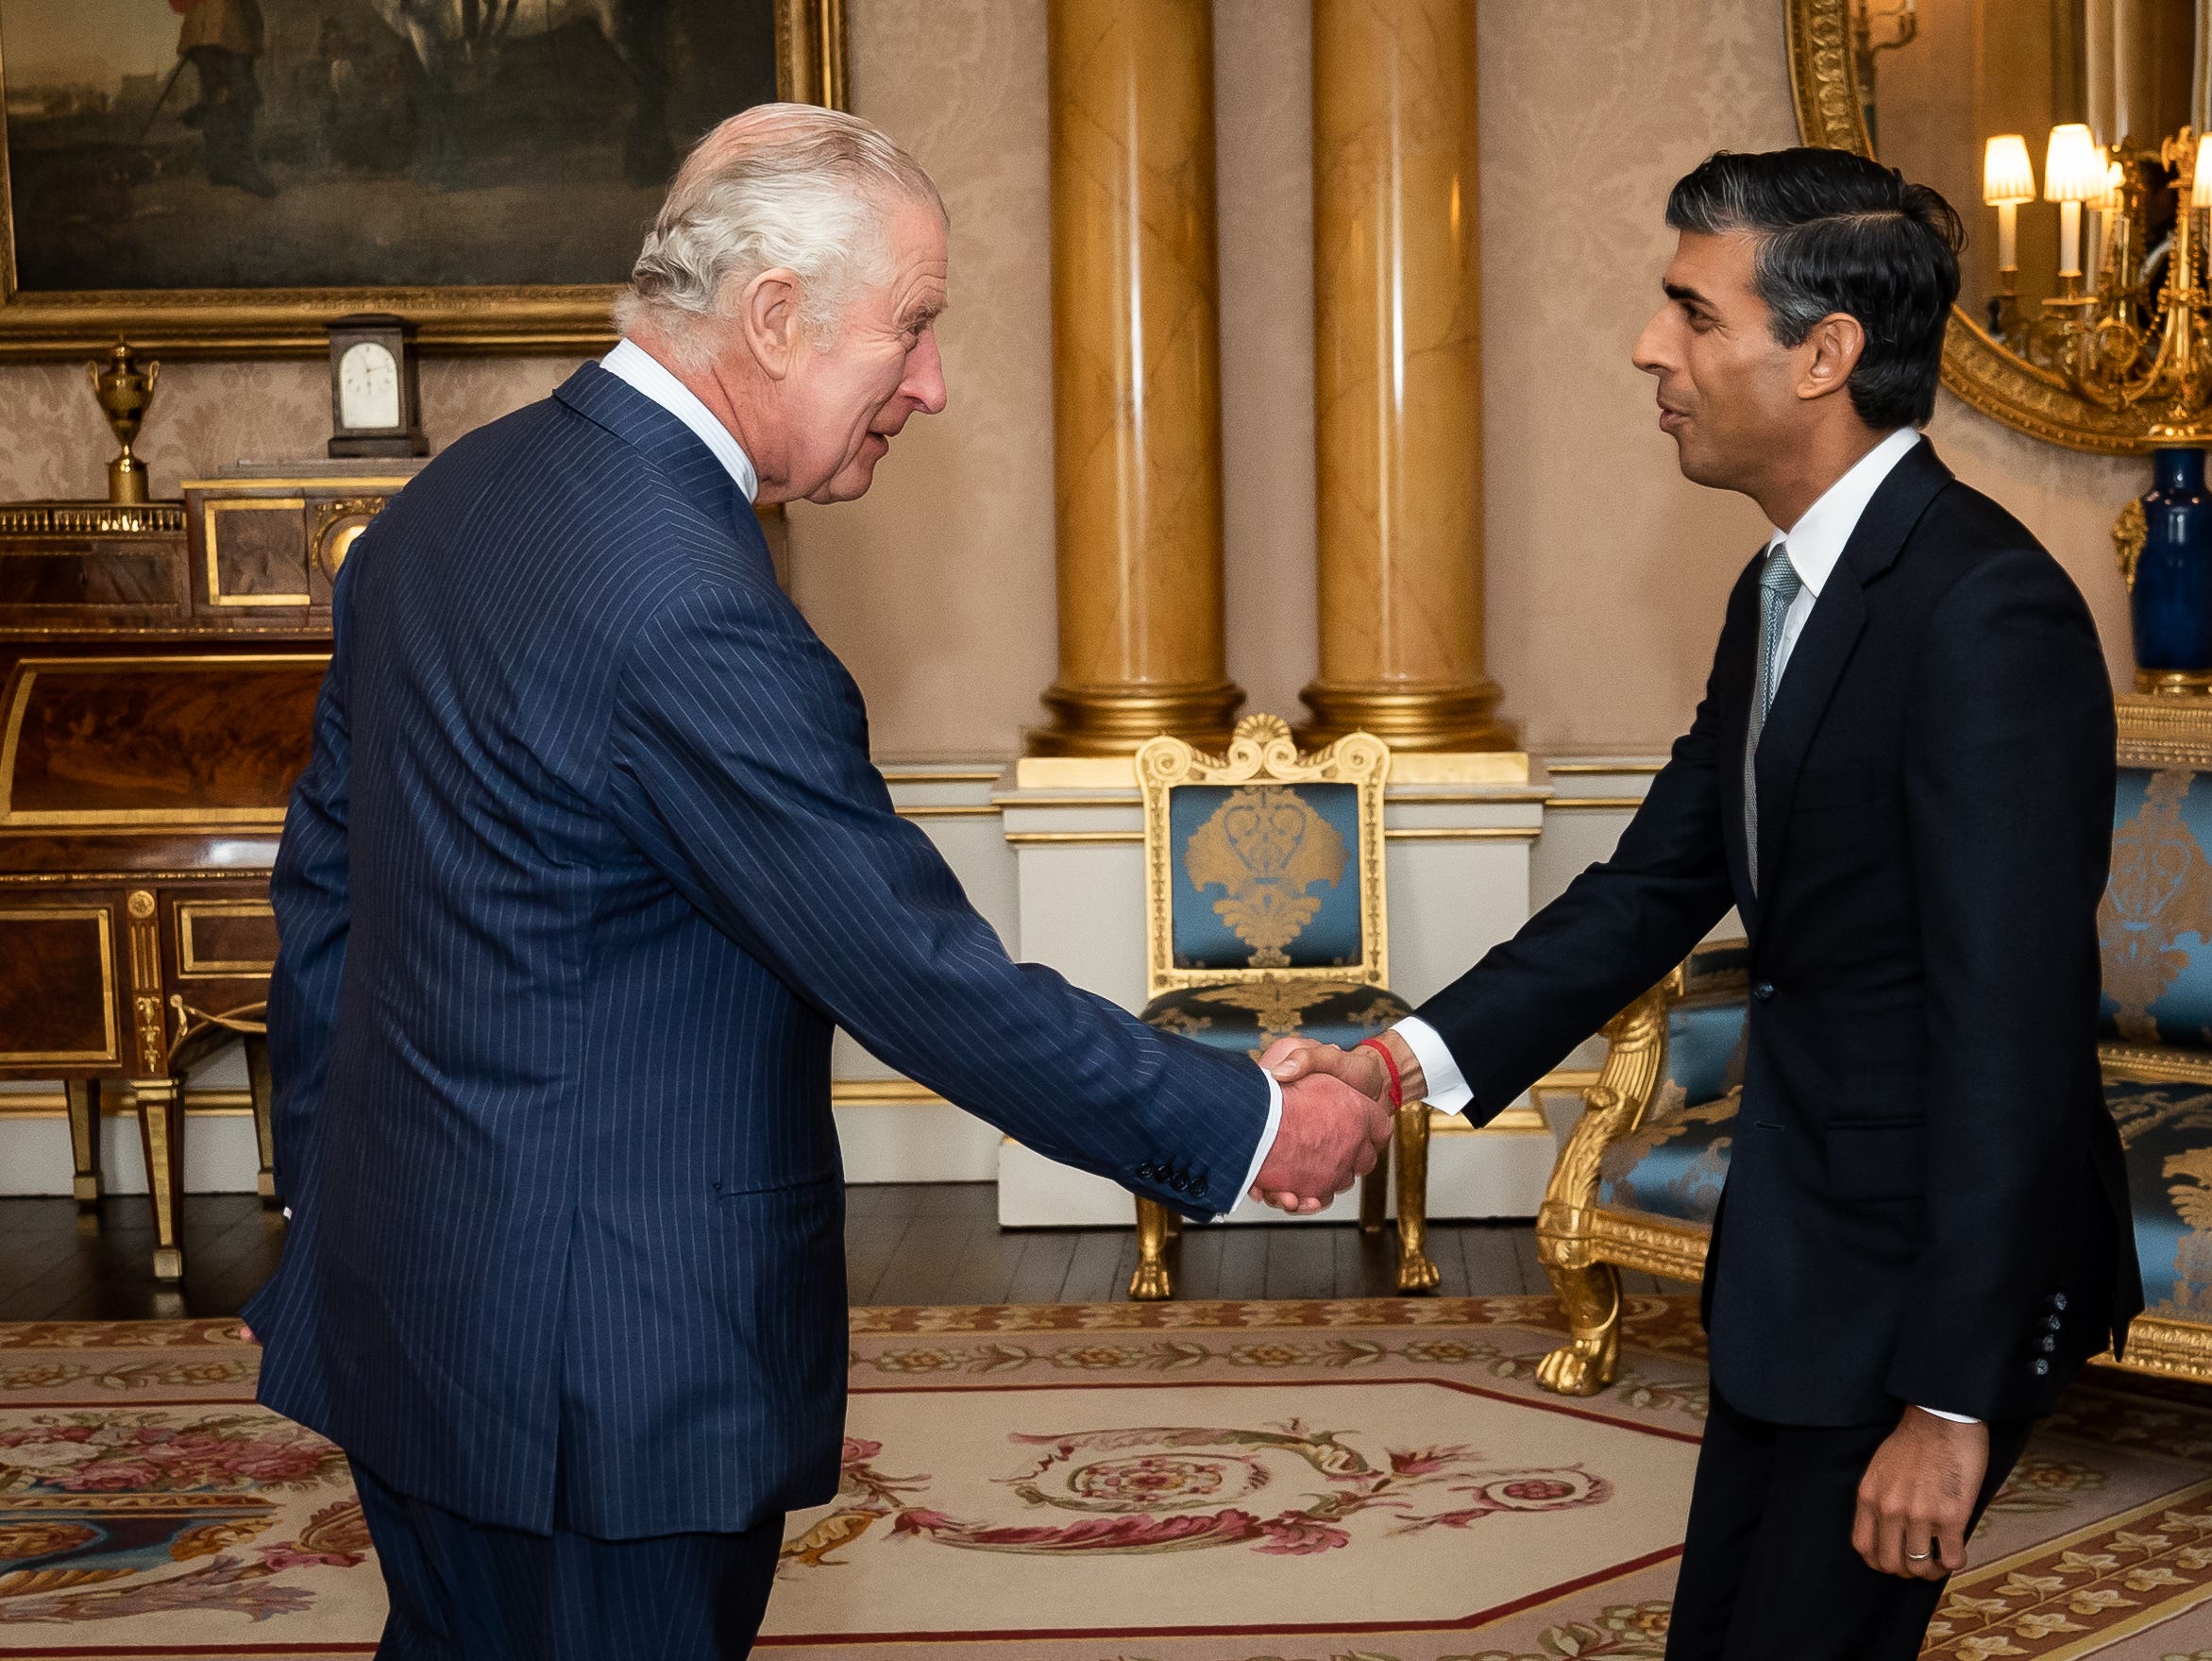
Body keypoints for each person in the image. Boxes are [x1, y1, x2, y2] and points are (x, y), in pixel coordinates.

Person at [242, 105, 1387, 1660]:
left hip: (414, 1301)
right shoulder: (686, 605)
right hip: (605, 1372)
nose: (931, 381)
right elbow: (913, 969)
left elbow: (325, 894)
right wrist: (1247, 1119)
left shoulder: (453, 505)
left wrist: (335, 1197)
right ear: (773, 316)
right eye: (910, 324)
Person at [1267, 147, 2144, 1660]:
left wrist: (1951, 1399)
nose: (1646, 347)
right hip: (1806, 1252)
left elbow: (2016, 1033)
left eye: (1690, 310)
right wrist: (1395, 1062)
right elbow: (1649, 886)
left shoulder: (1981, 612)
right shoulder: (1784, 588)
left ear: (1824, 354)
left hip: (1924, 1280)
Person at [173, 0, 278, 197]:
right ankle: (240, 167)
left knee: (218, 91)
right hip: (222, 21)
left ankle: (219, 167)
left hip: (222, 22)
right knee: (235, 90)